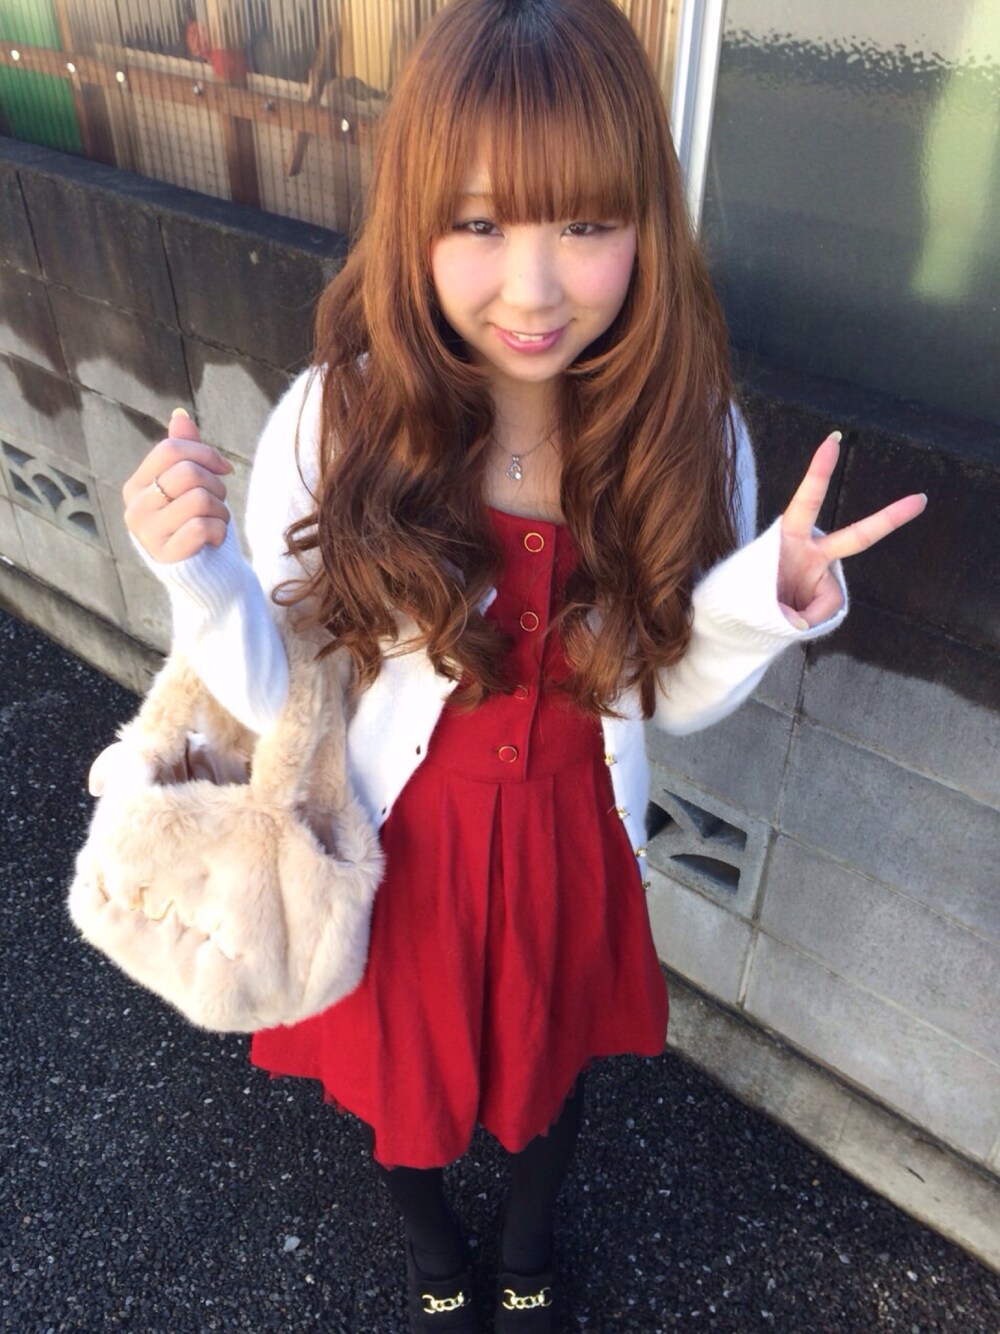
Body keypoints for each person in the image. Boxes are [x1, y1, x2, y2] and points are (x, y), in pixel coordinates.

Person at [119, 1, 925, 1327]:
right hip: (400, 842)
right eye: (482, 224)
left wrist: (761, 603)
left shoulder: (686, 430)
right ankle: (438, 1261)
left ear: (646, 224)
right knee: (401, 1081)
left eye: (587, 224)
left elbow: (662, 693)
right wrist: (199, 577)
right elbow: (288, 701)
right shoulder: (339, 417)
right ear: (416, 220)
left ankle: (532, 1247)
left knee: (554, 1070)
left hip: (571, 835)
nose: (535, 288)